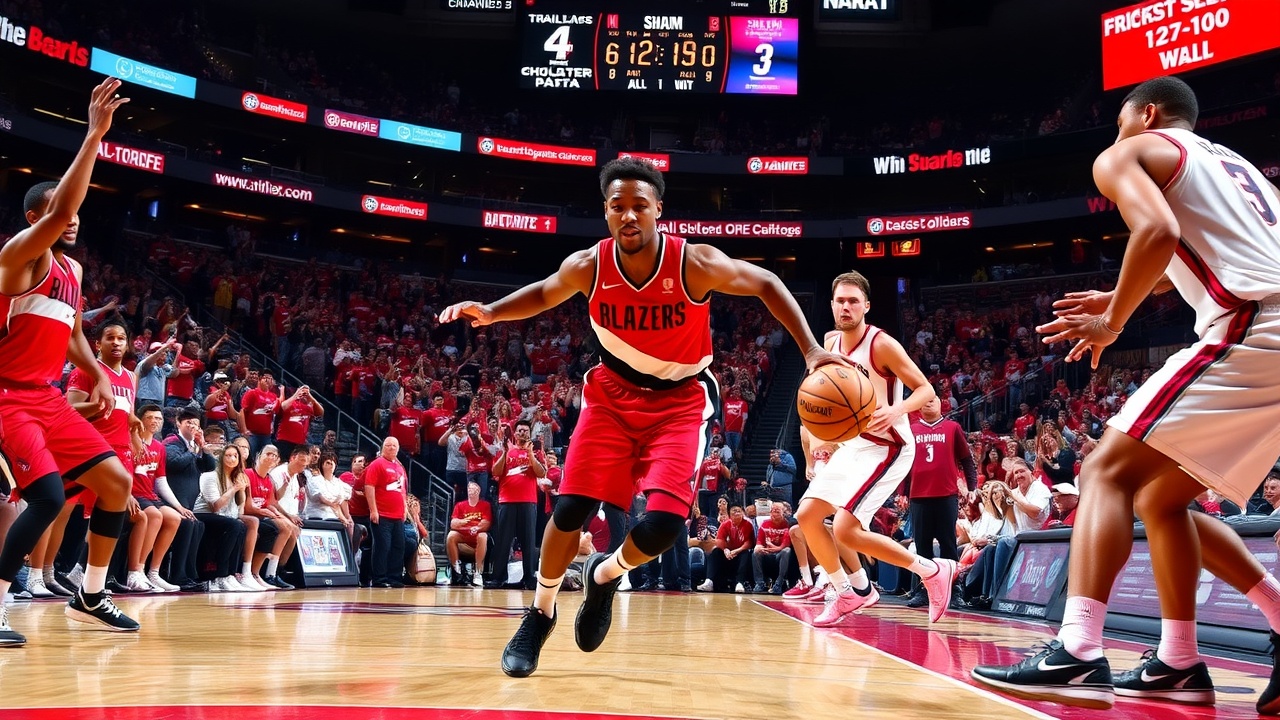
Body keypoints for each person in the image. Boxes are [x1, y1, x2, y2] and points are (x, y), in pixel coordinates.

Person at [438, 157, 848, 677]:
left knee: (663, 525)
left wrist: (810, 350)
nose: (628, 215)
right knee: (571, 508)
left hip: (680, 401)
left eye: (639, 205)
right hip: (611, 395)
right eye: (617, 207)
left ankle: (606, 574)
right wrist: (493, 311)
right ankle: (540, 613)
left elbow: (766, 282)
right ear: (606, 212)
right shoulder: (589, 265)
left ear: (659, 209)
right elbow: (544, 291)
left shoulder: (693, 262)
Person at [972, 76, 1280, 714]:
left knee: (1103, 471)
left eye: (1119, 122)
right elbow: (1194, 252)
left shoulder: (1127, 152)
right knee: (1162, 501)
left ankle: (1077, 651)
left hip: (1253, 325)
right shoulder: (1241, 170)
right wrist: (1119, 295)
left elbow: (1157, 232)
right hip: (1270, 331)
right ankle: (1180, 661)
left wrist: (1113, 323)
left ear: (1146, 115)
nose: (1114, 136)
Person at [0, 78, 139, 645]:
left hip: (48, 397)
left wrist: (98, 373)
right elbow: (61, 212)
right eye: (62, 211)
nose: (75, 219)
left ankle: (91, 593)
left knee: (117, 483)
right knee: (48, 498)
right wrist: (94, 136)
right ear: (36, 216)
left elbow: (73, 331)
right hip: (8, 397)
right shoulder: (17, 257)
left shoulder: (73, 271)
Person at [795, 271, 949, 629]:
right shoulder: (829, 342)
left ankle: (931, 570)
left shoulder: (882, 345)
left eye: (853, 301)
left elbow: (926, 390)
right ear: (832, 305)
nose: (845, 307)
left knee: (846, 529)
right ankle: (848, 592)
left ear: (866, 305)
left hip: (890, 446)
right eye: (840, 301)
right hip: (854, 445)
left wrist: (897, 410)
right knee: (807, 516)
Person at [903, 395, 977, 610]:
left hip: (946, 494)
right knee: (922, 546)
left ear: (940, 405)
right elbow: (904, 463)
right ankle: (925, 590)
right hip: (918, 496)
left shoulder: (953, 428)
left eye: (933, 399)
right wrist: (902, 492)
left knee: (948, 544)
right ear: (918, 407)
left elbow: (966, 459)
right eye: (924, 400)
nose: (928, 402)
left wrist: (972, 486)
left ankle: (954, 590)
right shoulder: (911, 430)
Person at [364, 437, 409, 588]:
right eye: (388, 445)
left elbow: (402, 490)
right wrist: (373, 510)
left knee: (399, 546)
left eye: (394, 445)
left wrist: (405, 508)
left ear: (398, 448)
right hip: (382, 514)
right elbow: (369, 487)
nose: (391, 448)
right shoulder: (377, 464)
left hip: (398, 515)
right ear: (383, 447)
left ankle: (395, 578)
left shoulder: (400, 467)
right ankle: (379, 578)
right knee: (382, 547)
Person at [448, 480, 492, 587]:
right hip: (463, 536)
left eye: (474, 489)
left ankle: (478, 572)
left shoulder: (485, 505)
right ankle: (456, 569)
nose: (471, 491)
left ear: (479, 491)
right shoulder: (460, 505)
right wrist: (463, 522)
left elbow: (486, 523)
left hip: (478, 536)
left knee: (483, 535)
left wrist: (477, 528)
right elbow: (453, 524)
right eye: (469, 489)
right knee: (451, 536)